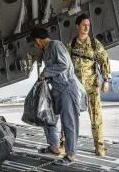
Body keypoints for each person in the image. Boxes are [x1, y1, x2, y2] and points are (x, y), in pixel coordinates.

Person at [60, 13, 112, 156]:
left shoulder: (95, 44)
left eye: (88, 25)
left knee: (96, 118)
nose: (86, 28)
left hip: (91, 87)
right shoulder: (70, 45)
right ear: (77, 26)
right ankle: (63, 144)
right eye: (84, 25)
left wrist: (106, 79)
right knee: (68, 116)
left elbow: (104, 60)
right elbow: (64, 64)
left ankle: (99, 147)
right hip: (74, 87)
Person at [30, 27, 80, 165]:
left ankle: (70, 155)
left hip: (66, 89)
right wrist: (45, 78)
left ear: (37, 40)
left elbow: (63, 64)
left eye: (35, 43)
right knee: (47, 116)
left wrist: (46, 72)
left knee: (69, 122)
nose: (36, 45)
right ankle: (54, 146)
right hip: (56, 89)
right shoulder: (46, 50)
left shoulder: (56, 45)